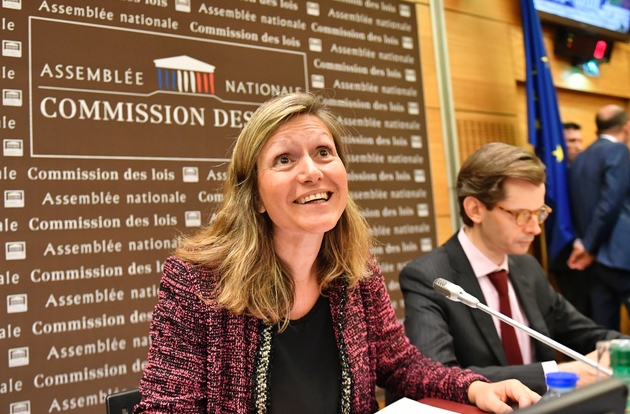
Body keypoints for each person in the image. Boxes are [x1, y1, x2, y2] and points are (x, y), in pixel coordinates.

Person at [135, 94, 539, 413]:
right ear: (255, 196)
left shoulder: (356, 270)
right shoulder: (196, 279)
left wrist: (473, 386)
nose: (312, 171)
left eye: (324, 152)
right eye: (284, 159)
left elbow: (401, 366)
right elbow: (165, 408)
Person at [400, 142, 626, 395]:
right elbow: (436, 375)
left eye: (539, 213)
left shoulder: (526, 265)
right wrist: (560, 373)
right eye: (521, 215)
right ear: (475, 209)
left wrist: (624, 350)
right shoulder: (429, 277)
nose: (535, 229)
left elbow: (582, 332)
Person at [568, 105, 630, 331]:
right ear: (627, 127)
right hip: (620, 257)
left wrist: (583, 244)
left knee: (605, 331)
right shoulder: (619, 151)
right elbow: (610, 204)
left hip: (593, 262)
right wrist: (589, 246)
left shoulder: (581, 158)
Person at [551, 122, 590, 317]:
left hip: (589, 255)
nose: (578, 147)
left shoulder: (584, 172)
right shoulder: (553, 175)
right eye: (572, 141)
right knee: (576, 312)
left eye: (580, 141)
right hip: (565, 254)